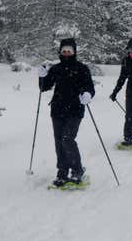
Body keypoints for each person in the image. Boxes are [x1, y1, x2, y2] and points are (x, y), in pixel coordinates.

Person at [38, 38, 95, 187]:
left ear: (74, 52)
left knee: (67, 139)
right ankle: (62, 172)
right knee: (59, 142)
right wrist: (42, 76)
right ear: (60, 52)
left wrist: (88, 94)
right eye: (64, 50)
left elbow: (89, 86)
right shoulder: (56, 69)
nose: (66, 53)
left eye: (69, 50)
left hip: (75, 110)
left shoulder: (82, 68)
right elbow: (44, 87)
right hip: (57, 110)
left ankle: (77, 171)